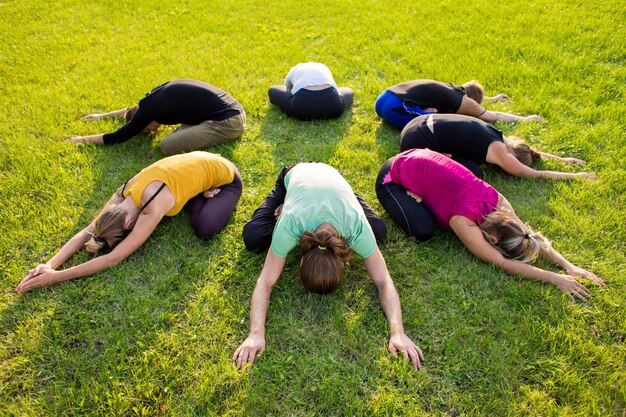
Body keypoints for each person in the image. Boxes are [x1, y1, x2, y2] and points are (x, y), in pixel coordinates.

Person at [234, 163, 423, 370]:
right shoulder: (291, 224)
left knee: (378, 231)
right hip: (297, 175)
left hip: (333, 178)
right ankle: (290, 196)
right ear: (302, 257)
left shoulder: (355, 226)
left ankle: (342, 194)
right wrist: (255, 333)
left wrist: (399, 332)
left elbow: (384, 281)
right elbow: (265, 281)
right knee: (254, 238)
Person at [375, 148, 604, 301]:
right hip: (392, 174)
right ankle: (409, 191)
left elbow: (529, 235)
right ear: (493, 240)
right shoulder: (464, 221)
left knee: (432, 207)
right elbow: (502, 263)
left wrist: (568, 266)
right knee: (422, 231)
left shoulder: (499, 200)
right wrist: (554, 278)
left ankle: (420, 193)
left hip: (422, 157)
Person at [16, 152, 242, 292]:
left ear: (128, 225)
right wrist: (50, 264)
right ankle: (198, 192)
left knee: (204, 227)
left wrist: (56, 277)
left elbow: (112, 258)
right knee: (185, 203)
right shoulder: (122, 194)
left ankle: (203, 193)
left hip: (228, 175)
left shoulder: (152, 206)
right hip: (199, 160)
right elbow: (89, 231)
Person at [68, 79, 245, 155]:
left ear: (144, 120)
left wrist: (82, 139)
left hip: (230, 121)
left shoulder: (149, 111)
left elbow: (117, 137)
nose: (152, 130)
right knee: (177, 134)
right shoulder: (152, 98)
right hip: (231, 106)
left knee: (167, 145)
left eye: (145, 128)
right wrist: (101, 116)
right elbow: (132, 111)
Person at [400, 114, 597, 180]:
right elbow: (532, 173)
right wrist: (575, 176)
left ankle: (442, 153)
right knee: (474, 172)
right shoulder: (500, 152)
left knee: (471, 164)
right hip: (414, 142)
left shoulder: (496, 133)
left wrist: (562, 159)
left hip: (416, 123)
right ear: (513, 158)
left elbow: (532, 151)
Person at [375, 79, 542, 130]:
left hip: (383, 98)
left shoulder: (450, 88)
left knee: (433, 111)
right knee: (434, 121)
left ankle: (421, 111)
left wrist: (493, 99)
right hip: (394, 109)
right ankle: (423, 112)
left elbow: (467, 96)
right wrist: (527, 119)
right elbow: (493, 116)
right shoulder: (461, 100)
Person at [268, 62, 354, 120]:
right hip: (333, 106)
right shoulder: (323, 67)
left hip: (301, 107)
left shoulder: (294, 70)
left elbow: (287, 88)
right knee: (349, 91)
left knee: (272, 90)